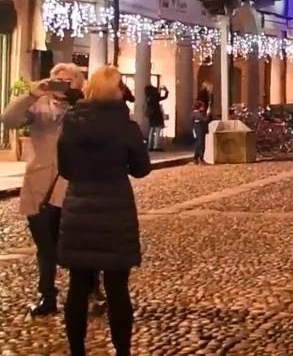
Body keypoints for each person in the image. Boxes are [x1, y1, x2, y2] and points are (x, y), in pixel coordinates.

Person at [57, 65, 152, 356]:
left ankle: (77, 351)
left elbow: (65, 168)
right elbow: (141, 169)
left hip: (79, 209)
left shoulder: (72, 121)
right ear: (117, 91)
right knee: (117, 288)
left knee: (78, 286)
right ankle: (122, 351)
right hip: (114, 210)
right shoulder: (125, 124)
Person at [1, 63, 83, 316]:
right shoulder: (37, 106)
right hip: (41, 186)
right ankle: (47, 294)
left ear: (78, 84)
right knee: (45, 246)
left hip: (73, 188)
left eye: (68, 81)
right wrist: (32, 94)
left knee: (79, 243)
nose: (61, 85)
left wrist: (78, 103)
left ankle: (89, 288)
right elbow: (8, 119)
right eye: (57, 80)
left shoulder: (84, 108)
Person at [143, 84, 168, 151]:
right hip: (157, 115)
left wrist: (159, 91)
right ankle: (156, 146)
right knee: (158, 131)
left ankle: (150, 146)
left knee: (151, 130)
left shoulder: (148, 97)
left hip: (151, 115)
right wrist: (165, 91)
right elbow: (163, 97)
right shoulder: (155, 96)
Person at [191, 100, 210, 165]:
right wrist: (208, 113)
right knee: (201, 144)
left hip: (197, 129)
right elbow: (205, 120)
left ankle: (196, 158)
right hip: (199, 129)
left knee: (198, 144)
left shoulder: (195, 113)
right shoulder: (197, 114)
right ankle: (200, 159)